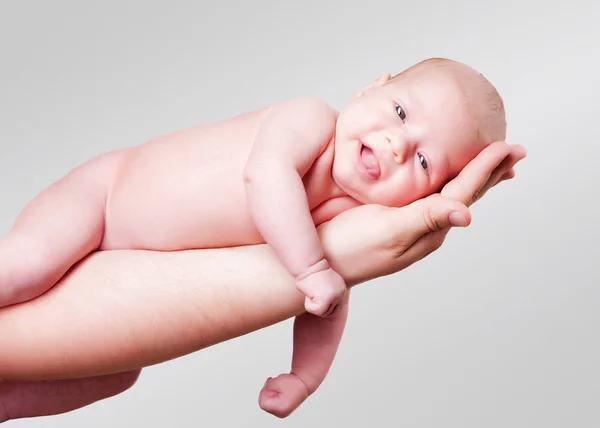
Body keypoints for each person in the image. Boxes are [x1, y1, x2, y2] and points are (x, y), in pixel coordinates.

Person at [0, 57, 510, 416]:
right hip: (102, 200)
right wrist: (313, 271)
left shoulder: (339, 226)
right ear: (370, 88)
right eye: (400, 112)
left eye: (424, 160)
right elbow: (265, 176)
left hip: (130, 269)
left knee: (116, 373)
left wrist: (304, 377)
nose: (398, 144)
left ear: (425, 197)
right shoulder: (310, 121)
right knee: (28, 268)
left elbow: (328, 301)